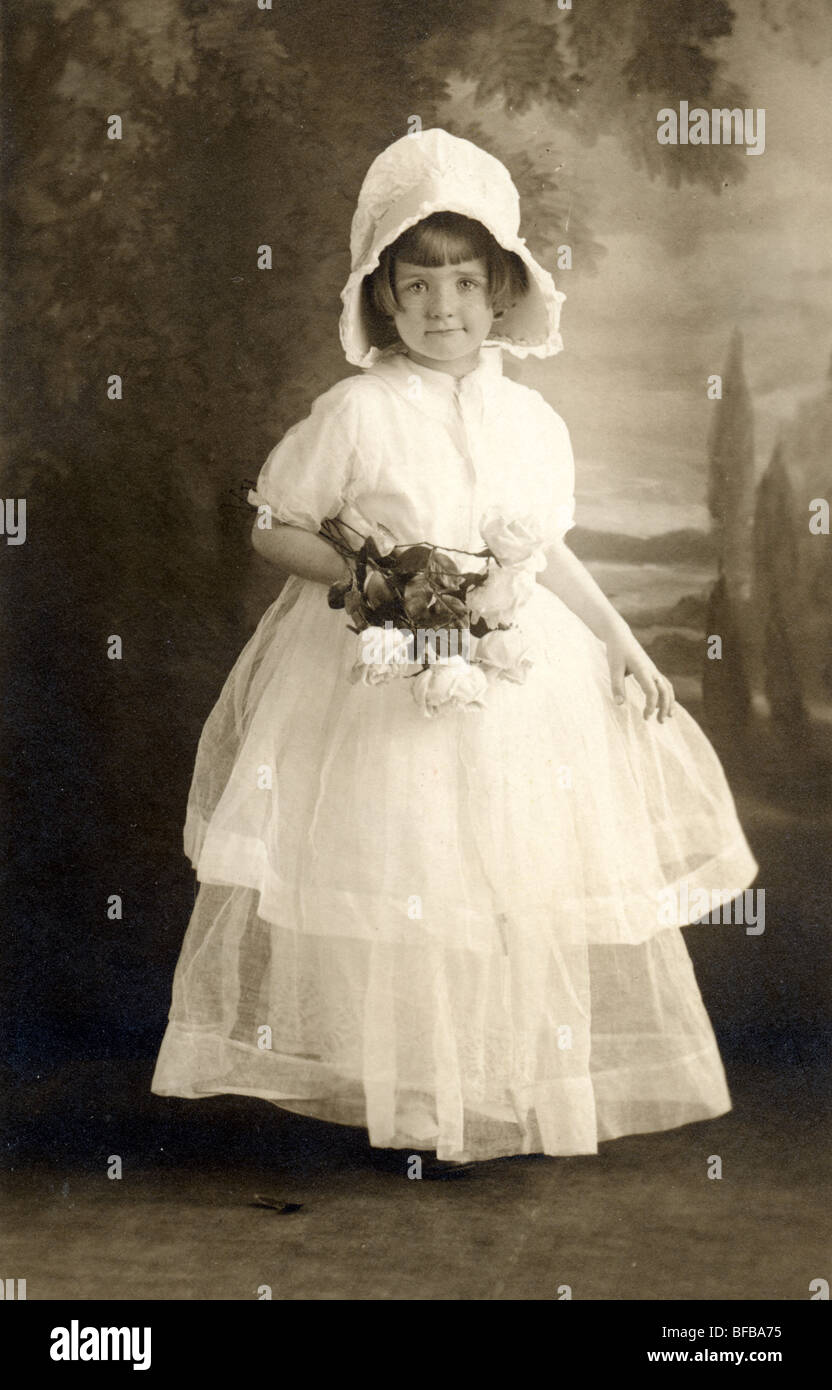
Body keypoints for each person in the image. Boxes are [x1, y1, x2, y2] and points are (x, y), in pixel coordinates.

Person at [151, 128, 758, 1173]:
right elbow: (272, 523)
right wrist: (372, 584)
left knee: (507, 870)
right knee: (408, 864)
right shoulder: (357, 411)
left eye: (467, 284)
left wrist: (620, 643)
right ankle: (416, 1099)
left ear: (504, 293)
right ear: (383, 298)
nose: (444, 308)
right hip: (380, 676)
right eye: (418, 285)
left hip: (516, 676)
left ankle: (503, 1085)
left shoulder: (528, 418)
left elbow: (543, 550)